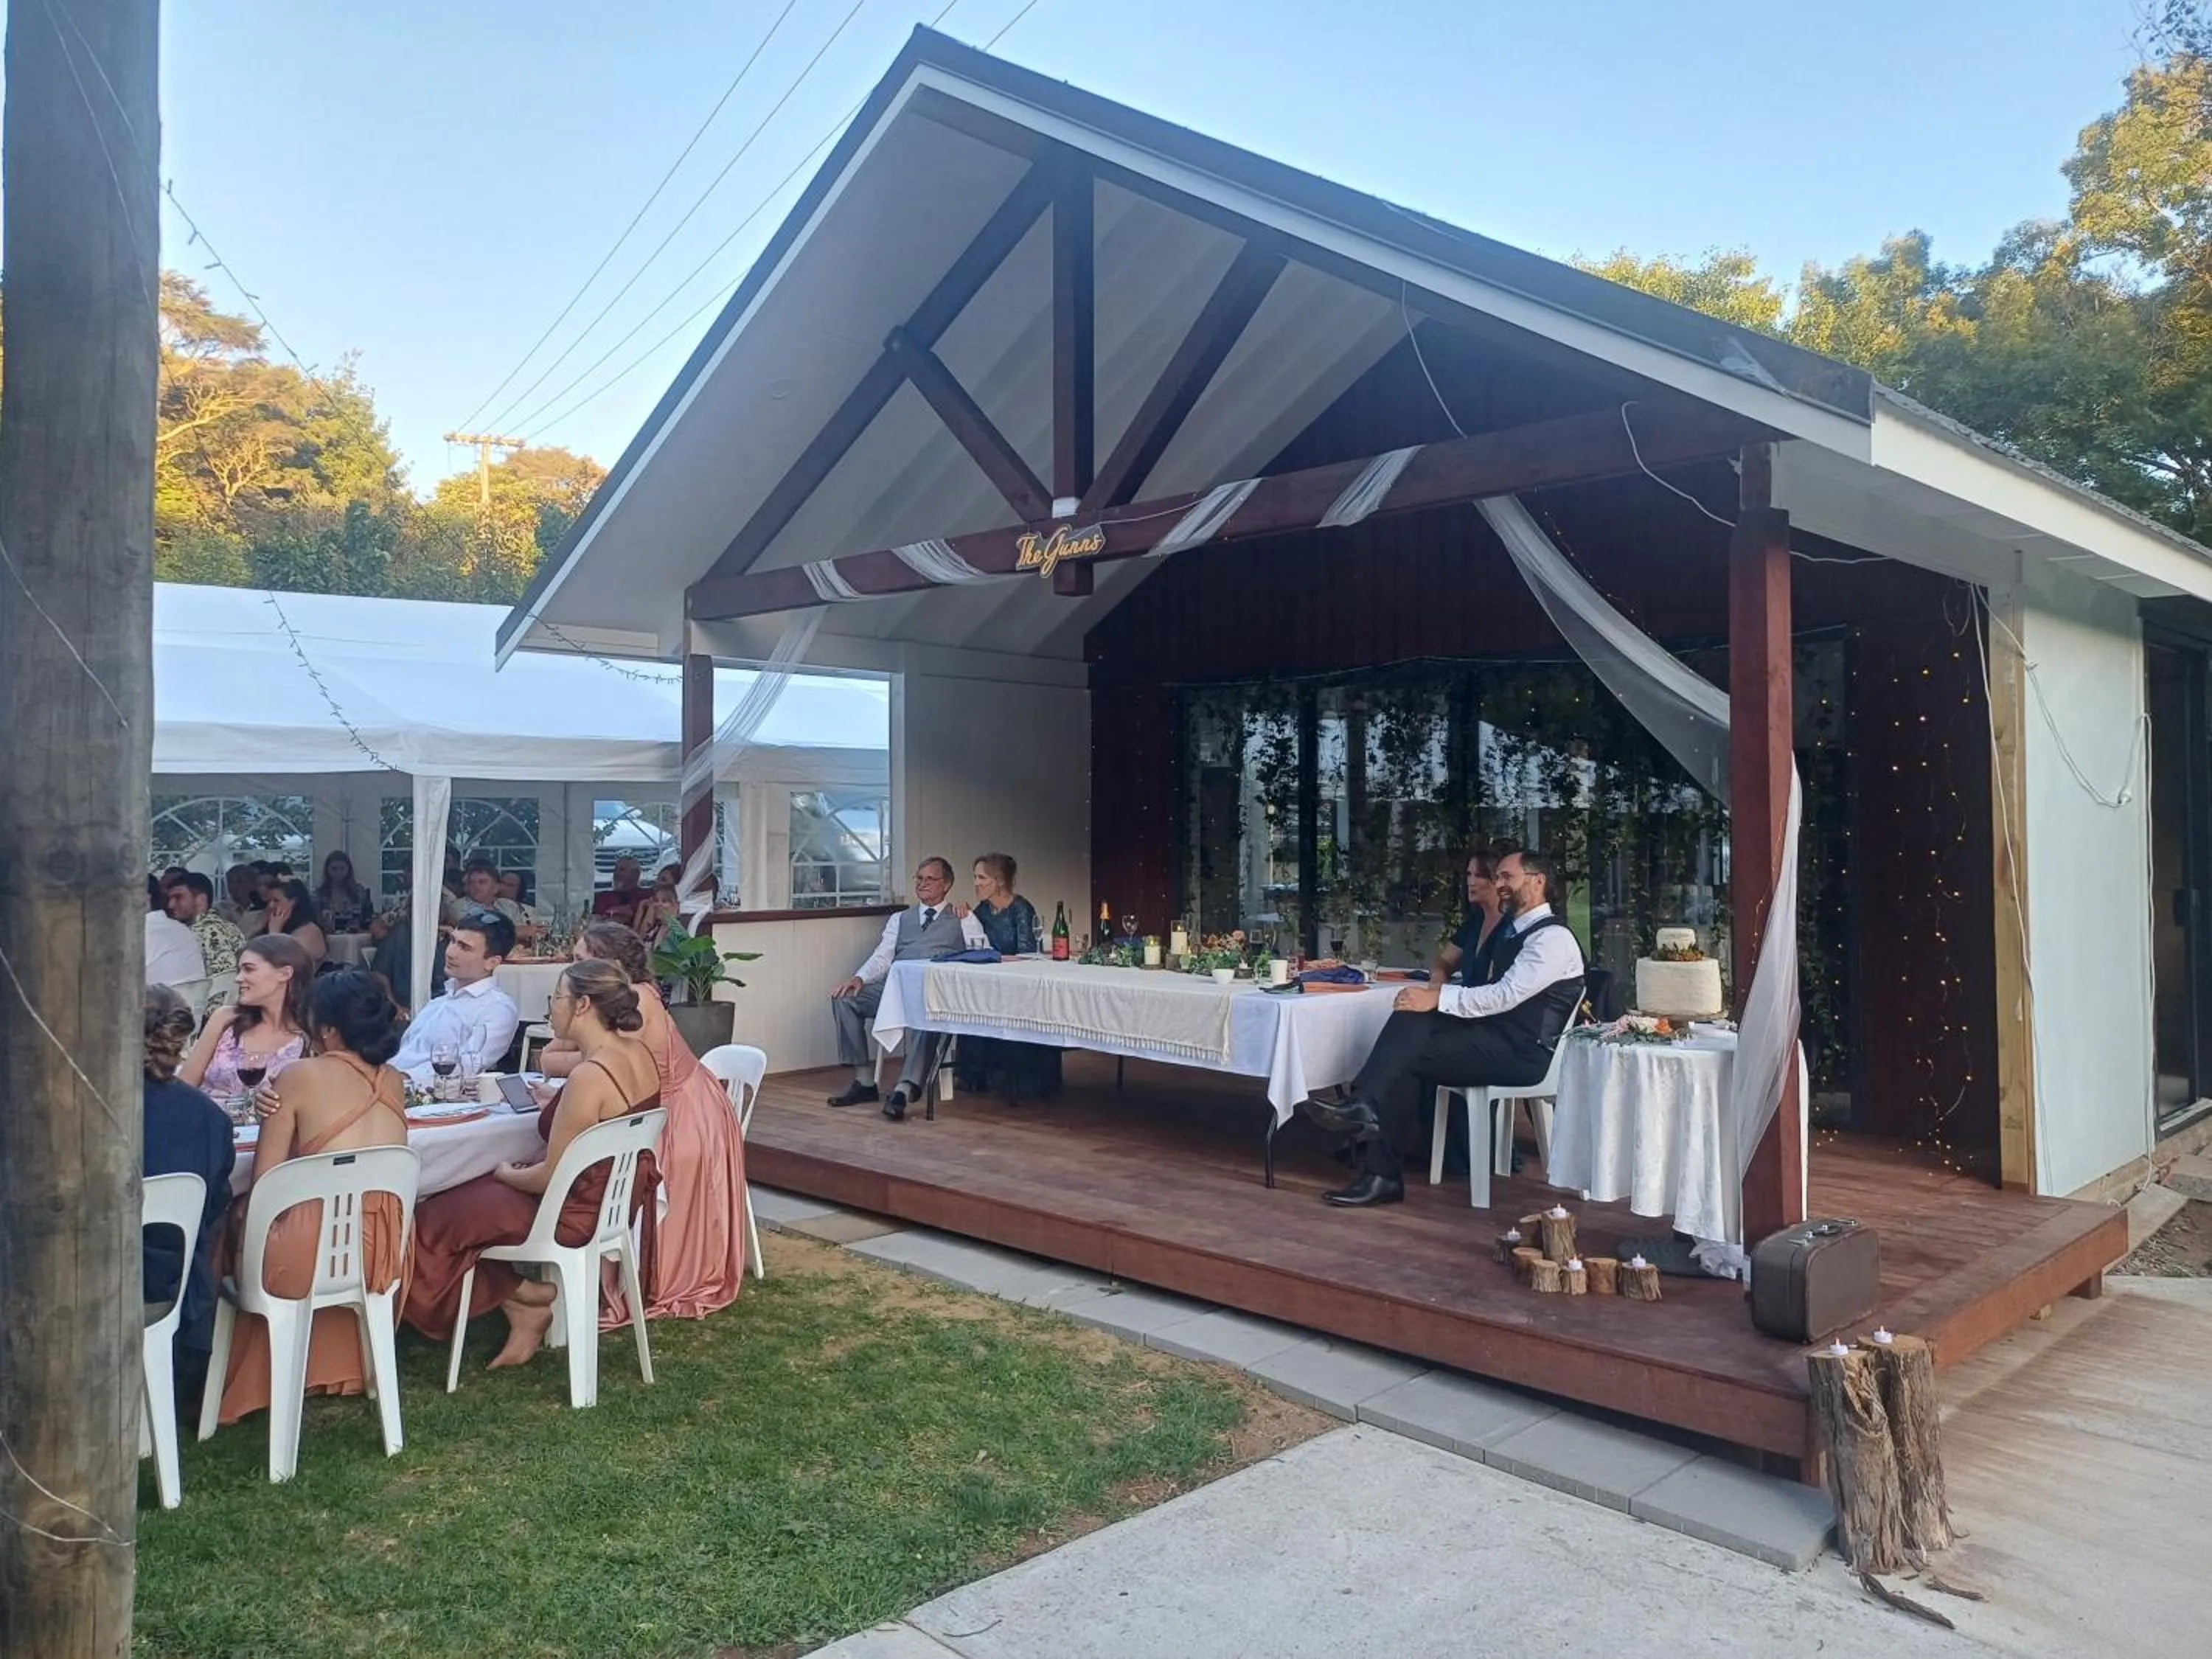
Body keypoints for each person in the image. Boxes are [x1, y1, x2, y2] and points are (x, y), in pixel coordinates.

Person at [404, 959, 663, 1368]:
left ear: (582, 1006)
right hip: (611, 1203)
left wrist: (503, 1171)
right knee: (458, 1205)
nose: (550, 1009)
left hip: (568, 1211)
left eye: (555, 998)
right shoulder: (638, 1054)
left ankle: (518, 1296)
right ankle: (522, 1300)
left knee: (428, 1219)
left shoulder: (589, 1076)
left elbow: (548, 1178)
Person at [1298, 849, 1586, 1208]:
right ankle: (1366, 1113)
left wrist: (1438, 997)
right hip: (1497, 1038)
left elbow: (1503, 996)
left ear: (1538, 881)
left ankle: (1377, 1158)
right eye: (1497, 878)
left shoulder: (1551, 939)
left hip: (1525, 1053)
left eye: (1507, 877)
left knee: (1407, 1055)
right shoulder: (1517, 930)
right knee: (1412, 1018)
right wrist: (1431, 998)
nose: (1500, 885)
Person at [212, 970, 411, 1427]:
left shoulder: (298, 1076)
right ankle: (333, 1366)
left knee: (231, 1219)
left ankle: (206, 1368)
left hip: (309, 1251)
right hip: (383, 1251)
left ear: (326, 1029)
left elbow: (266, 1182)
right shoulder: (396, 1079)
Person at [539, 922, 747, 1317]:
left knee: (589, 1154)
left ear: (613, 965)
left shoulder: (638, 1000)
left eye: (582, 960)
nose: (573, 969)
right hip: (647, 1105)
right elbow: (558, 1053)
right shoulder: (602, 1002)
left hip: (680, 1112)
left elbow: (594, 1062)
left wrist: (568, 1055)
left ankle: (655, 1271)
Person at [826, 857, 984, 1119]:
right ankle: (864, 1080)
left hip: (934, 993)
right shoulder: (900, 919)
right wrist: (859, 978)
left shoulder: (963, 916)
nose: (923, 884)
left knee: (928, 1014)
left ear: (946, 885)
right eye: (919, 878)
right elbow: (883, 957)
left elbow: (981, 951)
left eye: (930, 879)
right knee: (844, 999)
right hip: (894, 990)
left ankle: (904, 1089)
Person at [142, 984, 234, 1421]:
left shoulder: (81, 1110)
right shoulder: (209, 1117)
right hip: (178, 1287)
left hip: (95, 1277)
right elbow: (214, 1206)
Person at [953, 854, 1062, 1102]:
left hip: (1019, 984)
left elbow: (1028, 951)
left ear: (999, 881)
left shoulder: (1020, 909)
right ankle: (977, 1076)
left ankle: (1016, 1080)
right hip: (993, 981)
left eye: (982, 878)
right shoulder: (983, 909)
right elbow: (976, 942)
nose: (976, 884)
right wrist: (965, 916)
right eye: (975, 878)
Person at [389, 909, 521, 1085]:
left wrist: (400, 1079)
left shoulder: (497, 1009)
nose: (451, 952)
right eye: (452, 941)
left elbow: (465, 1068)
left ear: (492, 962)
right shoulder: (439, 1002)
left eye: (465, 947)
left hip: (425, 1098)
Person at [181, 935, 313, 1100]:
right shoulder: (226, 1019)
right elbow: (184, 1087)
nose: (238, 978)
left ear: (285, 973)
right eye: (239, 971)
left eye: (249, 969)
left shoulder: (308, 1036)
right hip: (210, 1121)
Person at [167, 872, 248, 1006]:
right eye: (170, 899)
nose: (171, 905)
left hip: (207, 1015)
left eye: (178, 898)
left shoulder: (190, 935)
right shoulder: (231, 928)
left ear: (201, 900)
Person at [145, 875, 207, 991]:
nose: (171, 905)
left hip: (157, 1006)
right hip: (193, 1006)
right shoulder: (183, 930)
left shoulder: (138, 934)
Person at [262, 878, 330, 968]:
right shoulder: (276, 926)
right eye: (269, 901)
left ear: (293, 902)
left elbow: (282, 964)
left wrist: (274, 932)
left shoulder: (309, 931)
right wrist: (254, 928)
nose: (271, 906)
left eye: (276, 901)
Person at [313, 851, 376, 936]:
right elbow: (315, 920)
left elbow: (368, 919)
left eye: (342, 869)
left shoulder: (360, 893)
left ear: (348, 870)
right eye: (334, 869)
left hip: (355, 937)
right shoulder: (319, 894)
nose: (338, 872)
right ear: (327, 870)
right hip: (327, 936)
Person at [592, 856, 652, 928]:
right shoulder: (603, 896)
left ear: (636, 874)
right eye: (615, 870)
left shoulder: (646, 895)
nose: (617, 873)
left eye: (622, 870)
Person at [218, 863, 262, 929]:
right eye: (230, 881)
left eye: (240, 881)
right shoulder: (220, 909)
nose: (233, 886)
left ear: (253, 884)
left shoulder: (262, 909)